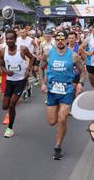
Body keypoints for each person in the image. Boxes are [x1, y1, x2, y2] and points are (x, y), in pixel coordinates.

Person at [40, 31, 85, 160]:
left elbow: (82, 72)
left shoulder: (74, 56)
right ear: (55, 40)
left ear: (66, 40)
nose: (60, 41)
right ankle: (59, 120)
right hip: (52, 91)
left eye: (62, 39)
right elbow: (41, 67)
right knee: (52, 121)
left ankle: (58, 146)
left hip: (67, 90)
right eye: (57, 39)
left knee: (62, 119)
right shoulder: (48, 54)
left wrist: (81, 84)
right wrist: (43, 82)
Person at [0, 29, 34, 138]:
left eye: (11, 38)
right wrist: (5, 71)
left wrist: (28, 70)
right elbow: (0, 63)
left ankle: (10, 128)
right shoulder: (3, 51)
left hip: (21, 80)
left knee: (12, 104)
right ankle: (21, 96)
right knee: (5, 106)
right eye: (7, 38)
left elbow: (32, 58)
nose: (9, 40)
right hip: (10, 80)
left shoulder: (22, 49)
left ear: (15, 39)